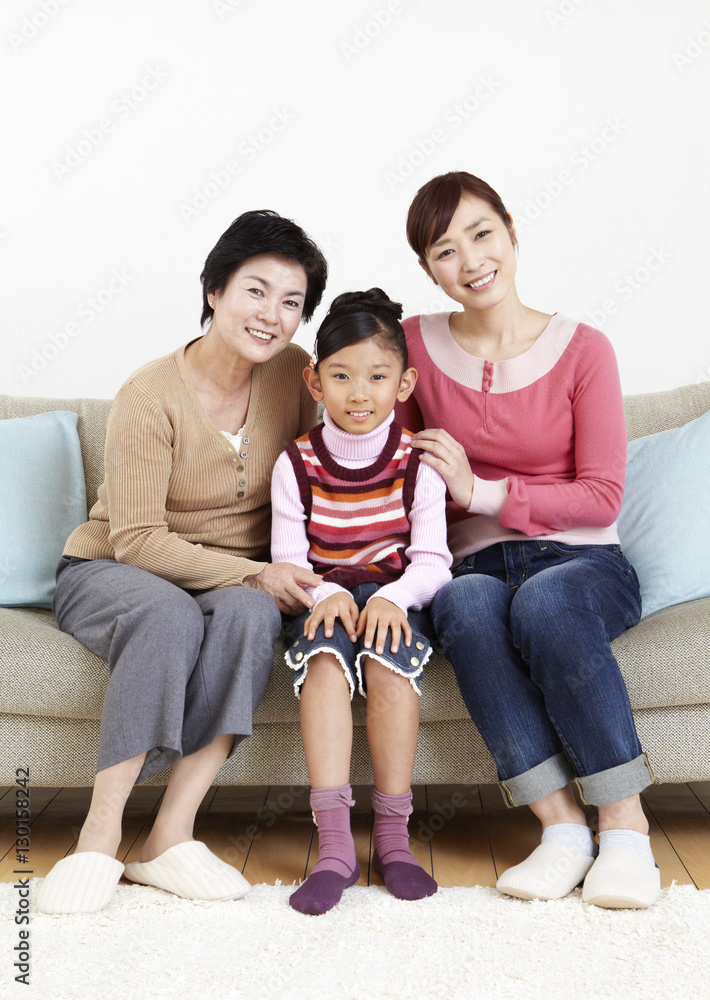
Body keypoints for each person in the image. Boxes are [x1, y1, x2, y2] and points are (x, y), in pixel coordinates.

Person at [36, 210, 328, 914]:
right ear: (214, 291)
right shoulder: (150, 395)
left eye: (292, 303)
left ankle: (170, 834)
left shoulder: (294, 376)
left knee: (255, 614)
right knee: (169, 613)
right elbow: (136, 538)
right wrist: (252, 569)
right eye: (256, 291)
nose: (272, 315)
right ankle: (99, 835)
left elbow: (340, 449)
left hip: (230, 581)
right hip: (115, 569)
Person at [397, 171, 660, 909]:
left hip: (583, 560)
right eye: (444, 251)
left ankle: (627, 827)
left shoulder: (585, 349)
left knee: (544, 601)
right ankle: (562, 829)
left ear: (511, 230)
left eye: (482, 234)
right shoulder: (415, 344)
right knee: (467, 606)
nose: (471, 261)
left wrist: (481, 493)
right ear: (427, 269)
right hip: (475, 562)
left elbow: (603, 493)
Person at [270, 288, 452, 915]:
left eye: (376, 377)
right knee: (323, 666)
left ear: (404, 384)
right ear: (313, 381)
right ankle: (335, 847)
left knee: (387, 664)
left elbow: (433, 562)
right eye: (341, 376)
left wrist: (395, 599)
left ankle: (395, 842)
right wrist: (321, 592)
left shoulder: (417, 462)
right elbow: (290, 562)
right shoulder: (294, 463)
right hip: (322, 596)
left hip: (393, 594)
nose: (358, 393)